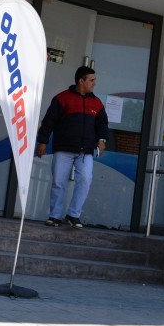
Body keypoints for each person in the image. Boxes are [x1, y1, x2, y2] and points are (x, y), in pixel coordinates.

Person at [35, 65, 108, 229]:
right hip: (63, 148)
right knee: (58, 182)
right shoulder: (62, 98)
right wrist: (43, 141)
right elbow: (49, 122)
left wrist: (102, 140)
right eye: (91, 80)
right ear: (81, 81)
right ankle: (55, 216)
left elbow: (103, 125)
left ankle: (73, 215)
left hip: (86, 151)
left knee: (85, 180)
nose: (94, 83)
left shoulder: (97, 103)